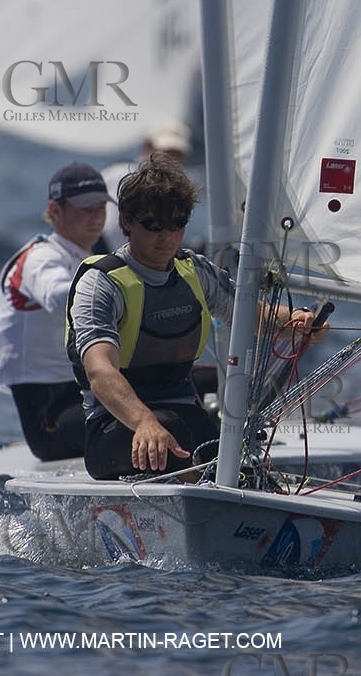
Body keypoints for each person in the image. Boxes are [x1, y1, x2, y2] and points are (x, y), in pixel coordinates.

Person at [66, 152, 320, 480]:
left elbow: (259, 319)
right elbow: (100, 372)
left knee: (232, 451)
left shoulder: (195, 272)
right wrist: (144, 422)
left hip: (183, 420)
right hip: (114, 429)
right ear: (126, 221)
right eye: (153, 224)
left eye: (177, 223)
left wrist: (299, 322)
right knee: (171, 434)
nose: (166, 236)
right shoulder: (101, 283)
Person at [0, 163, 108, 461]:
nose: (96, 217)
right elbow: (57, 296)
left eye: (101, 208)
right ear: (55, 211)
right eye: (85, 209)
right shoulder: (41, 257)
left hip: (83, 397)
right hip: (50, 420)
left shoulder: (85, 257)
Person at [99, 121, 192, 253]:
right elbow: (114, 229)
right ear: (147, 147)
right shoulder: (122, 175)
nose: (172, 159)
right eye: (166, 152)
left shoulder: (175, 186)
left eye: (177, 154)